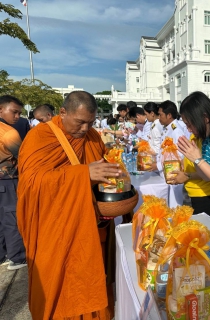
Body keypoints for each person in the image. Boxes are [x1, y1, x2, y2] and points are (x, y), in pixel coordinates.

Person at [17, 91, 120, 319]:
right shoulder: (40, 137)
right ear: (63, 112)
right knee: (60, 288)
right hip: (56, 229)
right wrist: (82, 175)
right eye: (80, 122)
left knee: (93, 280)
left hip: (91, 227)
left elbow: (103, 165)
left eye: (91, 122)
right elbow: (31, 185)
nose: (85, 129)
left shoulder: (92, 136)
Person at [0, 95, 27, 270]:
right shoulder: (9, 133)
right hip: (8, 180)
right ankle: (17, 257)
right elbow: (23, 157)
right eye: (14, 112)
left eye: (19, 113)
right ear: (1, 109)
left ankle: (1, 255)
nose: (17, 117)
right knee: (11, 217)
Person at [172, 133, 210, 221]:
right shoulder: (195, 135)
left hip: (206, 194)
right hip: (195, 192)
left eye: (189, 124)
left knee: (207, 229)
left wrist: (187, 176)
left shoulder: (208, 140)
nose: (188, 129)